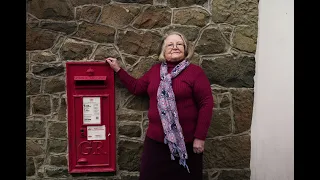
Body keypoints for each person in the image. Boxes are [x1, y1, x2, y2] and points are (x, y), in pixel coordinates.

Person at [106, 31, 214, 180]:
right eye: (170, 44)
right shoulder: (155, 71)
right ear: (164, 50)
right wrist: (118, 70)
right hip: (156, 142)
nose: (175, 47)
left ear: (186, 49)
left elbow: (206, 104)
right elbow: (137, 87)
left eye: (179, 44)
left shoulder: (195, 72)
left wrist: (200, 137)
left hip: (186, 143)